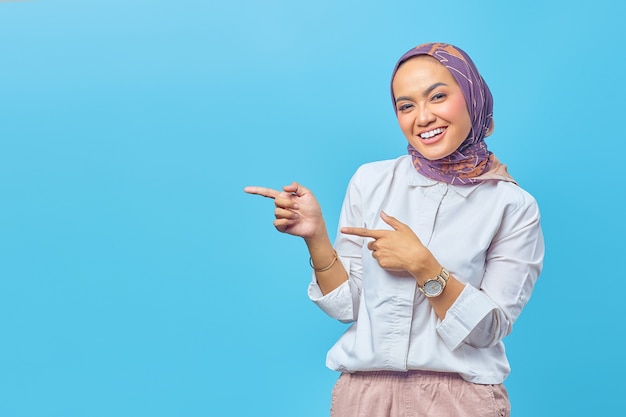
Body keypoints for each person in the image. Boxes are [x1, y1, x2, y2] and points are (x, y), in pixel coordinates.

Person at [244, 42, 544, 417]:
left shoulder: (512, 206)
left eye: (438, 96)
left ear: (472, 97)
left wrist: (424, 267)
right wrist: (316, 237)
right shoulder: (370, 181)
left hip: (459, 400)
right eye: (406, 105)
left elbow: (488, 330)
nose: (423, 117)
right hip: (364, 396)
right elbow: (347, 306)